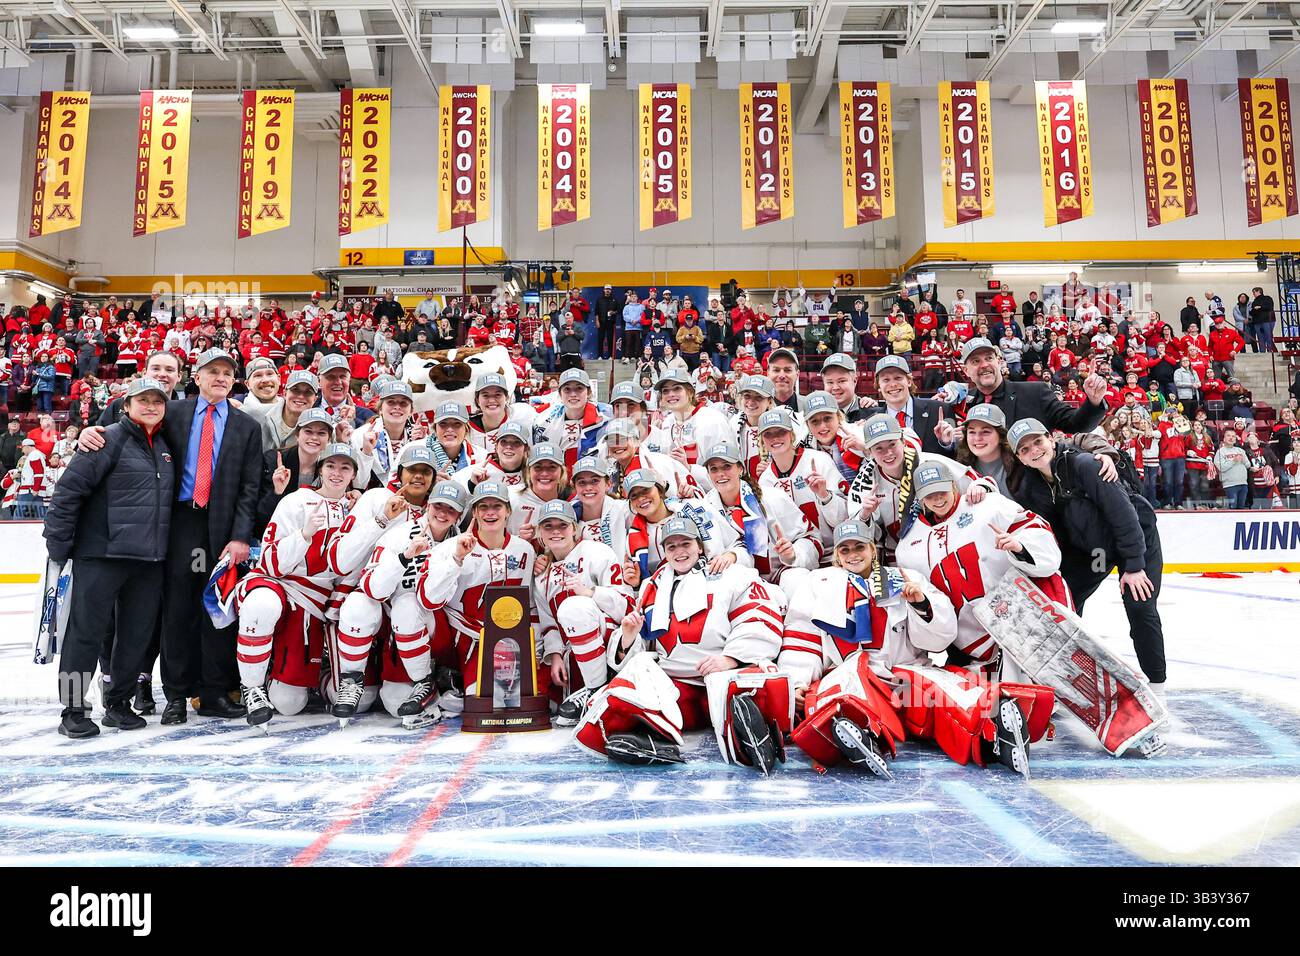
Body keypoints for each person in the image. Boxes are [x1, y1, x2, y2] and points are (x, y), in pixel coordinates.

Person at [782, 521, 1049, 778]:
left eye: (859, 547)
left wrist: (920, 604)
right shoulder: (818, 585)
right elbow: (802, 640)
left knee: (948, 692)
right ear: (837, 557)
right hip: (851, 674)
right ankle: (857, 738)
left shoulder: (904, 578)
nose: (853, 555)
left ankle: (994, 734)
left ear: (873, 549)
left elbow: (938, 641)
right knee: (838, 696)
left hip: (904, 678)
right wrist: (796, 682)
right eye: (845, 549)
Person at [575, 514, 791, 771]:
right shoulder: (650, 586)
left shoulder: (731, 574)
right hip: (678, 686)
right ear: (664, 551)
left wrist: (731, 658)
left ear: (699, 546)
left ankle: (753, 734)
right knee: (625, 688)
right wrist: (629, 637)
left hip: (723, 676)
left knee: (756, 681)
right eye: (672, 546)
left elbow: (758, 614)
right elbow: (644, 649)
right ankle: (650, 740)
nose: (679, 552)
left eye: (685, 544)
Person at [43, 378, 176, 738]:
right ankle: (72, 709)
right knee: (83, 636)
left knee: (135, 637)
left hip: (148, 561)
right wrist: (58, 544)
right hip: (101, 555)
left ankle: (118, 704)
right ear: (127, 405)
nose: (151, 406)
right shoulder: (106, 440)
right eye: (143, 401)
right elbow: (68, 493)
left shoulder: (165, 445)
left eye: (157, 401)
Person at [1009, 419, 1166, 692]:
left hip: (1136, 537)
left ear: (1051, 438)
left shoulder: (1084, 465)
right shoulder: (1032, 489)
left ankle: (1156, 686)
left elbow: (1122, 513)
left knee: (1140, 606)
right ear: (1019, 459)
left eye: (1037, 442)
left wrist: (1134, 566)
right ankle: (1061, 678)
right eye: (1024, 449)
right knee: (1063, 603)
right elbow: (1050, 536)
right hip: (1095, 551)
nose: (1034, 450)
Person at [236, 443, 360, 728]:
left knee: (292, 703)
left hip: (324, 603)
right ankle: (253, 686)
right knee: (260, 604)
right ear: (320, 469)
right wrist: (304, 535)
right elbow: (269, 562)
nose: (337, 473)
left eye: (345, 467)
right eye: (330, 466)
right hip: (285, 588)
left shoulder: (357, 508)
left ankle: (324, 672)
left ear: (354, 474)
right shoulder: (295, 502)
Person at [335, 459, 461, 727]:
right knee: (359, 604)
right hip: (391, 616)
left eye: (451, 510)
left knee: (407, 604)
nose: (442, 514)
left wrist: (451, 561)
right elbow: (371, 587)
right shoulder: (400, 530)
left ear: (460, 516)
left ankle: (426, 681)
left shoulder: (459, 544)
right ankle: (351, 678)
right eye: (438, 507)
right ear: (427, 507)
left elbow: (430, 600)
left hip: (432, 625)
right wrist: (403, 558)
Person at [415, 482, 540, 699]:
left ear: (508, 511)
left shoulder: (524, 550)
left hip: (506, 642)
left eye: (497, 506)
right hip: (458, 639)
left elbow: (530, 606)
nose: (490, 512)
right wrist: (456, 560)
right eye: (483, 507)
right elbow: (428, 600)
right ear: (474, 512)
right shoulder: (450, 547)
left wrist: (535, 652)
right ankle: (437, 675)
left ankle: (458, 683)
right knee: (484, 698)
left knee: (508, 699)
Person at [532, 499, 636, 725]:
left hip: (612, 644)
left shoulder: (597, 552)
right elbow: (547, 621)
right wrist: (555, 654)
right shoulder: (540, 575)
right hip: (573, 650)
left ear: (574, 528)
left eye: (562, 525)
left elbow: (627, 606)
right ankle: (588, 691)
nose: (556, 531)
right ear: (540, 533)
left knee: (574, 607)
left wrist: (591, 593)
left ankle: (595, 690)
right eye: (548, 526)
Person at [701, 439, 820, 584]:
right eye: (714, 469)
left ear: (741, 469)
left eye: (726, 466)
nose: (720, 474)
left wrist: (793, 554)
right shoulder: (705, 508)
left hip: (782, 573)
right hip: (738, 581)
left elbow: (812, 538)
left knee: (795, 580)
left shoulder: (772, 498)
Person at [948, 337, 1109, 434]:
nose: (984, 365)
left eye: (989, 358)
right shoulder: (963, 403)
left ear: (999, 361)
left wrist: (1094, 402)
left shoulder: (1035, 392)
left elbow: (1076, 424)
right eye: (976, 361)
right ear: (966, 370)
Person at [756, 407, 848, 555]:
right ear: (761, 441)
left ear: (792, 434)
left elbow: (844, 518)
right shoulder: (765, 481)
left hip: (836, 553)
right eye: (768, 434)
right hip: (798, 556)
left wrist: (825, 496)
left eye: (781, 432)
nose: (775, 438)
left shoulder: (819, 460)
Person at [820, 353, 876, 422]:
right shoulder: (815, 415)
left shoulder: (872, 415)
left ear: (854, 381)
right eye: (830, 382)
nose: (835, 387)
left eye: (841, 381)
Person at [1213, 427, 1250, 508]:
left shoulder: (1240, 450)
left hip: (1243, 484)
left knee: (1241, 508)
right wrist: (1234, 461)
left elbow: (1248, 465)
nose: (1231, 438)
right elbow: (1221, 467)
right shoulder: (1220, 452)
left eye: (1233, 436)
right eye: (1228, 436)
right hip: (1230, 485)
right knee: (1232, 509)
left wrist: (1243, 459)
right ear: (1224, 438)